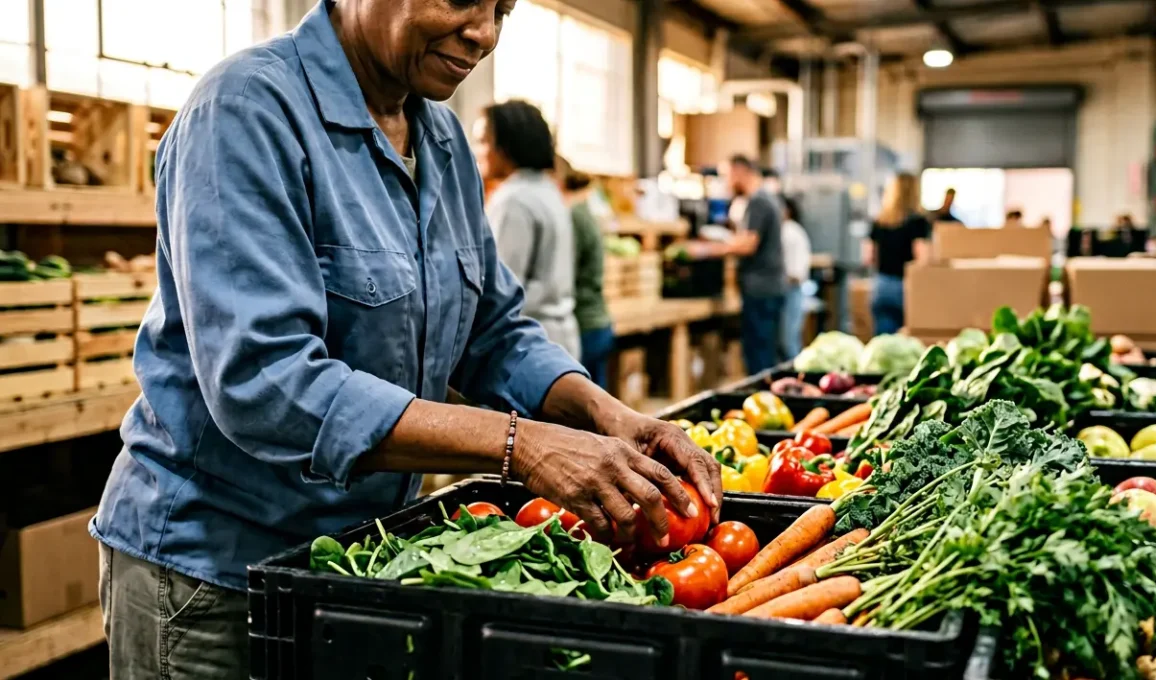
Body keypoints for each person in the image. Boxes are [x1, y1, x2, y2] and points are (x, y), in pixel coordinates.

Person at [90, 3, 722, 678]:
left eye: (502, 9)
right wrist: (521, 445)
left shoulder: (441, 142)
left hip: (358, 564)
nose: (483, 34)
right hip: (214, 577)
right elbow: (264, 381)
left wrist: (609, 416)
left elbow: (494, 330)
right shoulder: (245, 112)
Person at [474, 100, 580, 360]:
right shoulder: (547, 190)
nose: (477, 151)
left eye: (484, 141)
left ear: (506, 146)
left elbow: (501, 288)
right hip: (560, 336)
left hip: (529, 343)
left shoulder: (513, 200)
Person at [723, 155, 787, 374]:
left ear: (740, 172)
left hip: (761, 290)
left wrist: (709, 250)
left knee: (760, 355)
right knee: (765, 351)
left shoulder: (758, 201)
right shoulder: (768, 198)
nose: (727, 182)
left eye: (727, 175)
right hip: (769, 288)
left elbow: (749, 244)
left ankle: (763, 403)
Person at [557, 155, 613, 388]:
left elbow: (564, 274)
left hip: (585, 324)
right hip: (596, 321)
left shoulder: (575, 216)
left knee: (585, 410)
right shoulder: (584, 211)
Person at [866, 173, 932, 335]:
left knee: (884, 343)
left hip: (881, 284)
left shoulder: (879, 221)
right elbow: (921, 258)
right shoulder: (918, 222)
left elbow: (868, 257)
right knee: (907, 342)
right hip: (905, 286)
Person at [779, 197, 811, 361]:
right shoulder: (795, 230)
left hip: (791, 290)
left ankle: (795, 376)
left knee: (788, 341)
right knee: (788, 339)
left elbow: (796, 272)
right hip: (792, 289)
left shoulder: (788, 231)